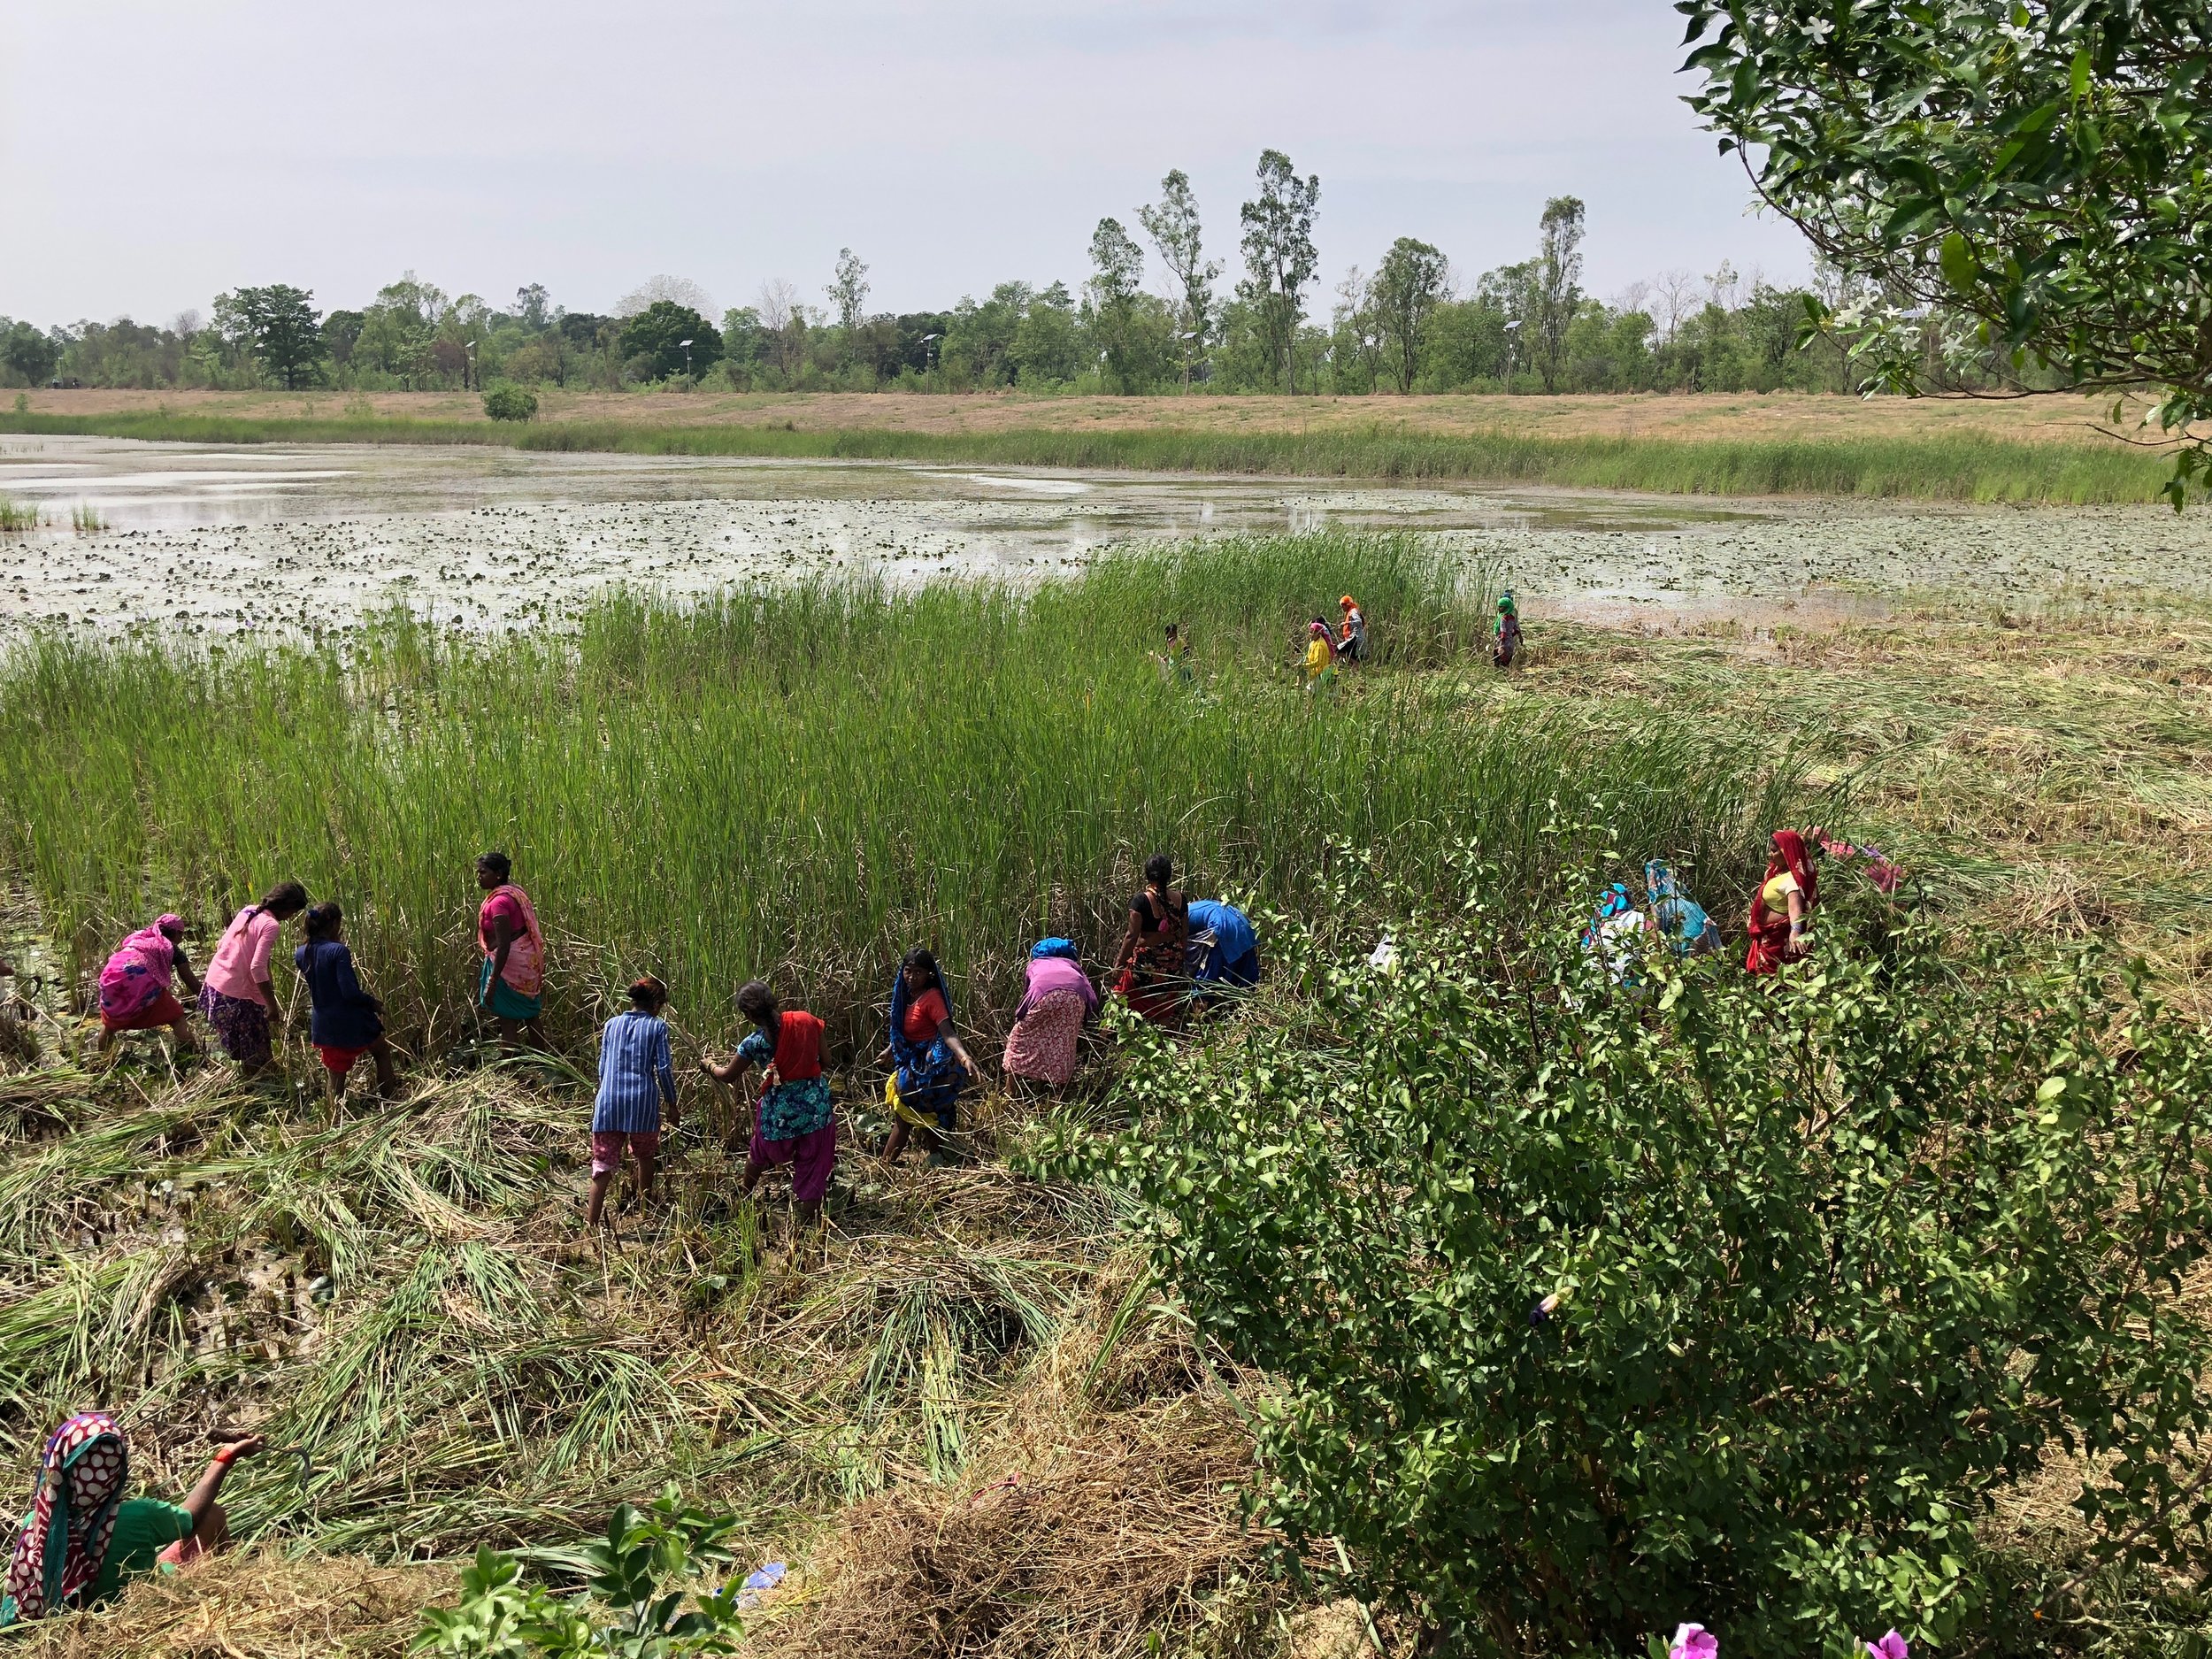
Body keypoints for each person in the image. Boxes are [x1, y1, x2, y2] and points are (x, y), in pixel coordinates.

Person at [0, 1413, 265, 1626]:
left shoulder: (36, 1526)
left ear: (58, 1466)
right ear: (118, 1468)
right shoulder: (138, 1516)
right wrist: (226, 1457)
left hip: (73, 1624)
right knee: (212, 1515)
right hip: (137, 1611)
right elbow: (191, 1517)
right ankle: (237, 1585)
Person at [704, 979, 836, 1223]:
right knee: (813, 1165)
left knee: (758, 1153)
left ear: (748, 1015)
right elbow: (826, 1061)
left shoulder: (754, 1043)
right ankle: (808, 1225)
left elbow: (728, 1076)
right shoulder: (806, 1021)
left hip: (779, 1117)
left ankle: (744, 1196)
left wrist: (709, 1065)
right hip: (816, 1110)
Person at [587, 976, 678, 1226]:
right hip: (642, 1103)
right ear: (657, 1005)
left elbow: (603, 1068)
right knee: (645, 1156)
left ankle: (591, 1224)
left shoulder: (611, 1024)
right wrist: (672, 1103)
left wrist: (606, 1094)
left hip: (608, 1102)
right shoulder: (657, 1027)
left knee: (602, 1164)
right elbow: (664, 1069)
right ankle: (645, 1212)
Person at [880, 949, 981, 1167]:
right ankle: (936, 1163)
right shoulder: (906, 995)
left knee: (907, 1119)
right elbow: (907, 1029)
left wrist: (964, 1058)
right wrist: (890, 1050)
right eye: (908, 971)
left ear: (929, 975)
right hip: (911, 1065)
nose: (912, 976)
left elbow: (947, 1032)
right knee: (926, 1120)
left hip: (929, 1071)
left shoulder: (932, 998)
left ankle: (885, 1166)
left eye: (918, 972)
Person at [198, 880, 308, 1078]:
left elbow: (222, 943)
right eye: (293, 913)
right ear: (286, 908)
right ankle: (258, 1091)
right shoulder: (271, 925)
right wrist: (271, 1004)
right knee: (256, 1058)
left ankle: (250, 1082)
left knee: (244, 1049)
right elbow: (257, 967)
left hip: (215, 984)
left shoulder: (249, 910)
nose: (291, 918)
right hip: (236, 995)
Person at [294, 902, 400, 1102]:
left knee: (335, 1074)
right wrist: (372, 1003)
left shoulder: (301, 953)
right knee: (382, 1052)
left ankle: (332, 1121)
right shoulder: (338, 951)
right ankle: (390, 1100)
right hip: (350, 1018)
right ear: (334, 924)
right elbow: (349, 993)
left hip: (323, 1023)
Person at [96, 915, 200, 1058]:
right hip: (140, 982)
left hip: (111, 979)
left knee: (109, 1025)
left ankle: (102, 1059)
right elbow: (192, 984)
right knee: (177, 1018)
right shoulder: (170, 949)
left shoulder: (139, 939)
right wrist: (210, 998)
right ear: (178, 933)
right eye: (182, 934)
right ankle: (194, 1056)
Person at [1002, 940, 1099, 1094]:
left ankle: (1010, 1090)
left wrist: (1019, 1017)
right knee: (1064, 1041)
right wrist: (1086, 1015)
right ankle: (1058, 1094)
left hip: (1044, 997)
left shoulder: (1035, 964)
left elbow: (1029, 994)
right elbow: (1090, 994)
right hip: (1076, 999)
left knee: (1018, 1039)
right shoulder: (1073, 966)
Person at [474, 851, 547, 1050]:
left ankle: (509, 1072)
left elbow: (504, 944)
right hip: (526, 962)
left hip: (510, 967)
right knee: (531, 1015)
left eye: (483, 872)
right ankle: (544, 1064)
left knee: (507, 1020)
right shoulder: (514, 892)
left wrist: (493, 981)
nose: (479, 877)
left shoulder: (499, 902)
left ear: (498, 874)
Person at [1115, 853, 1190, 1027]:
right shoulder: (1181, 899)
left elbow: (1131, 936)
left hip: (1146, 968)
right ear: (1169, 875)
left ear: (1147, 875)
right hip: (1172, 968)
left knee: (1119, 997)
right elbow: (1184, 933)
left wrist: (1118, 965)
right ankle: (1165, 1049)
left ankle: (1112, 1041)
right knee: (1163, 1009)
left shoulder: (1141, 901)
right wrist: (1179, 962)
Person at [1746, 828, 1823, 974]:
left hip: (1777, 941)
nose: (1770, 855)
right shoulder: (1776, 872)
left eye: (1774, 851)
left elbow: (1795, 909)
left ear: (1786, 852)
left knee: (1773, 980)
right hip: (1766, 937)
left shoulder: (1792, 880)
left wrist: (1796, 931)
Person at [1185, 898, 1260, 996]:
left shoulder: (1184, 913)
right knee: (1246, 983)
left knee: (1204, 986)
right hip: (1244, 925)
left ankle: (1200, 1003)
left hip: (1223, 927)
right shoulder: (1198, 906)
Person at [1645, 861, 1720, 956]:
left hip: (1688, 935)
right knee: (1711, 962)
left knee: (1691, 966)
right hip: (1704, 926)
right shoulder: (1680, 890)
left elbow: (1656, 927)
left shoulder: (1657, 896)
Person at [1153, 623, 1196, 687]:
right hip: (1172, 662)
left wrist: (1182, 659)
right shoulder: (1170, 641)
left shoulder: (1179, 641)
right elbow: (1171, 652)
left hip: (1178, 663)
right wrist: (1166, 657)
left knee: (1179, 680)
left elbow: (1187, 651)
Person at [1302, 618, 1338, 692]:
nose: (1310, 635)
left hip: (1325, 673)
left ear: (1318, 633)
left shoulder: (1320, 645)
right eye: (1309, 632)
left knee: (1330, 696)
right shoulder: (1313, 642)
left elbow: (1318, 662)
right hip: (1317, 672)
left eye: (1312, 633)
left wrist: (1304, 666)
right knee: (1311, 692)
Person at [1494, 592, 1524, 669]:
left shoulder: (1504, 617)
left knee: (1498, 659)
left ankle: (1500, 673)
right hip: (1509, 640)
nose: (1499, 608)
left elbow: (1503, 630)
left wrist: (1501, 642)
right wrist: (1512, 635)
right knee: (1506, 659)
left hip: (1503, 641)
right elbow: (1516, 628)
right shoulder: (1510, 617)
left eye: (1501, 607)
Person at [1337, 595, 1368, 664]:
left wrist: (1346, 623)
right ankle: (1357, 668)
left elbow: (1359, 622)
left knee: (1338, 650)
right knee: (1351, 658)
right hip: (1356, 638)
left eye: (1343, 606)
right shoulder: (1352, 611)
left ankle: (1357, 666)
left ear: (1347, 605)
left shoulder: (1353, 611)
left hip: (1355, 638)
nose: (1342, 608)